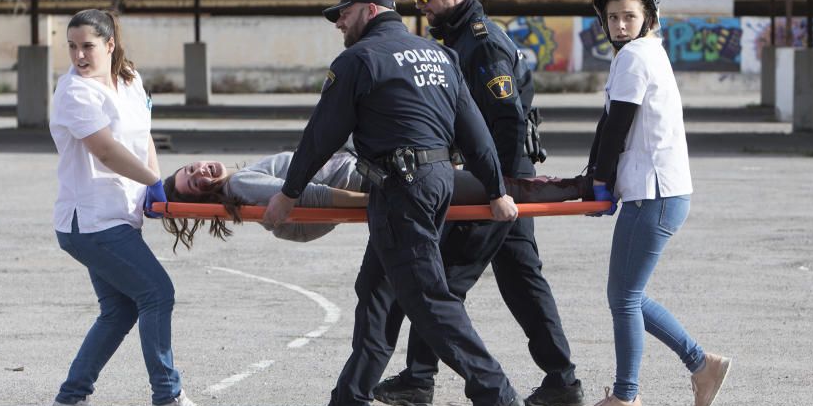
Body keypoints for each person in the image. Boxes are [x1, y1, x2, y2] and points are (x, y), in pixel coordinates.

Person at [261, 0, 524, 406]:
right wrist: (495, 187)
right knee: (378, 292)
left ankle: (492, 389)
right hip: (435, 180)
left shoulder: (359, 60)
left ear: (368, 10)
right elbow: (475, 130)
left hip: (401, 188)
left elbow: (322, 134)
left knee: (426, 296)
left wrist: (290, 192)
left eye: (342, 13)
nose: (339, 22)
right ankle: (351, 403)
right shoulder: (439, 55)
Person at [376, 0, 583, 406]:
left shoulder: (481, 44)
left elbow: (506, 122)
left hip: (497, 181)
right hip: (499, 180)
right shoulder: (463, 40)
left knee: (441, 280)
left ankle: (419, 378)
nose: (423, 7)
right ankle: (561, 379)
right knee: (522, 281)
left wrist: (494, 190)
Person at [48, 9, 221, 406]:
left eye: (87, 45)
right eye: (72, 46)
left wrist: (150, 189)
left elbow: (143, 135)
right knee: (157, 293)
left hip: (118, 216)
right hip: (89, 221)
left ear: (109, 45)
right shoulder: (74, 92)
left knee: (119, 310)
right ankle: (167, 396)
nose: (79, 55)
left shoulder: (129, 80)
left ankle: (72, 397)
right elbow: (104, 151)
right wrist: (154, 181)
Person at [572, 0, 731, 406]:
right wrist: (593, 179)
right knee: (630, 294)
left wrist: (600, 183)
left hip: (654, 195)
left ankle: (627, 398)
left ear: (648, 17)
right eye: (613, 17)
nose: (620, 25)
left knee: (623, 297)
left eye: (629, 16)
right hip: (661, 192)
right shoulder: (644, 54)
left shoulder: (635, 57)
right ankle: (703, 366)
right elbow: (611, 125)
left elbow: (616, 126)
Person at [159, 151, 591, 248]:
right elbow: (308, 195)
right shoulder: (240, 188)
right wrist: (373, 202)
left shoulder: (242, 174)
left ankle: (574, 187)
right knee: (493, 187)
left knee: (485, 184)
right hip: (372, 183)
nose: (199, 174)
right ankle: (579, 188)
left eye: (190, 169)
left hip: (371, 172)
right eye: (195, 183)